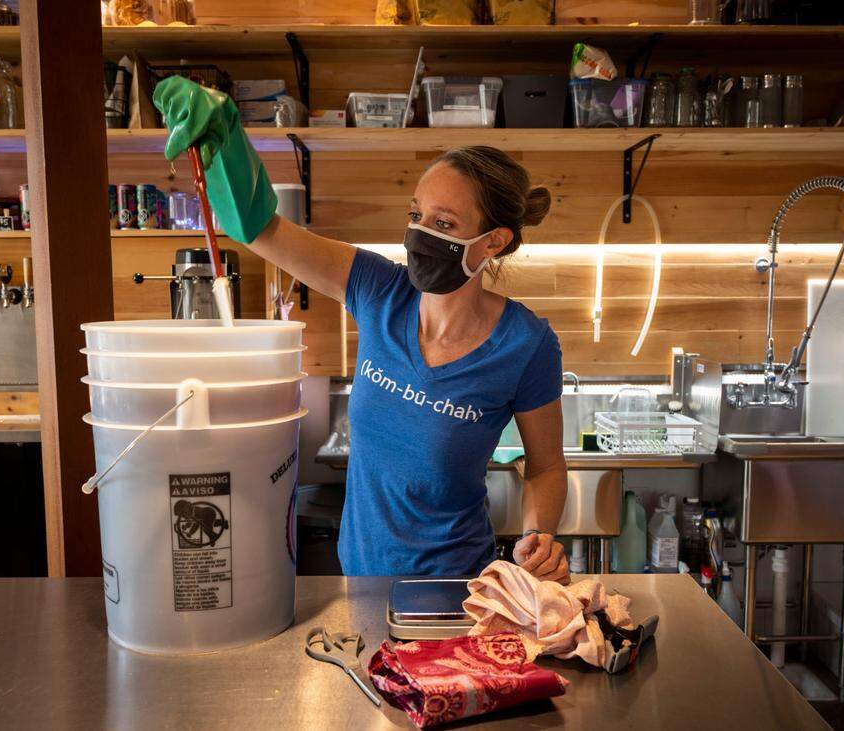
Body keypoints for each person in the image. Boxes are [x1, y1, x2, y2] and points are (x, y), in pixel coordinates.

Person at [155, 77, 569, 584]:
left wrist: (538, 535)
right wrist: (226, 138)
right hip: (358, 579)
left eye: (443, 224)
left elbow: (546, 466)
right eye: (416, 215)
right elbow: (262, 229)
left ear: (493, 243)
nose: (418, 234)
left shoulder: (526, 345)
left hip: (454, 588)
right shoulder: (380, 290)